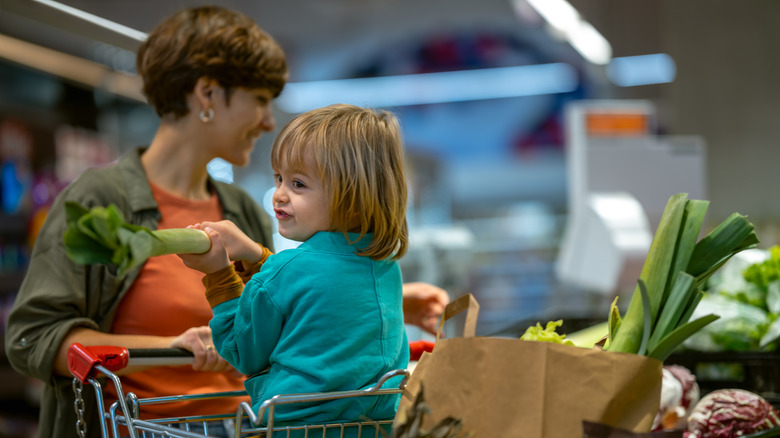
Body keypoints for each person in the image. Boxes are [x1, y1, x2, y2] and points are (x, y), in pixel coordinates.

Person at [3, 5, 448, 438]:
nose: (268, 120)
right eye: (259, 100)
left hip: (251, 423)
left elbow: (286, 292)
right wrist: (175, 348)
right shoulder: (101, 200)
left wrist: (395, 299)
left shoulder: (240, 209)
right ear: (209, 95)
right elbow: (32, 337)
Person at [180, 103, 410, 435]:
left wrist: (218, 274)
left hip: (289, 429)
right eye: (279, 178)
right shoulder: (384, 266)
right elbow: (303, 294)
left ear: (352, 195)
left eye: (298, 184)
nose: (279, 195)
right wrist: (254, 254)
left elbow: (240, 350)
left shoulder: (288, 268)